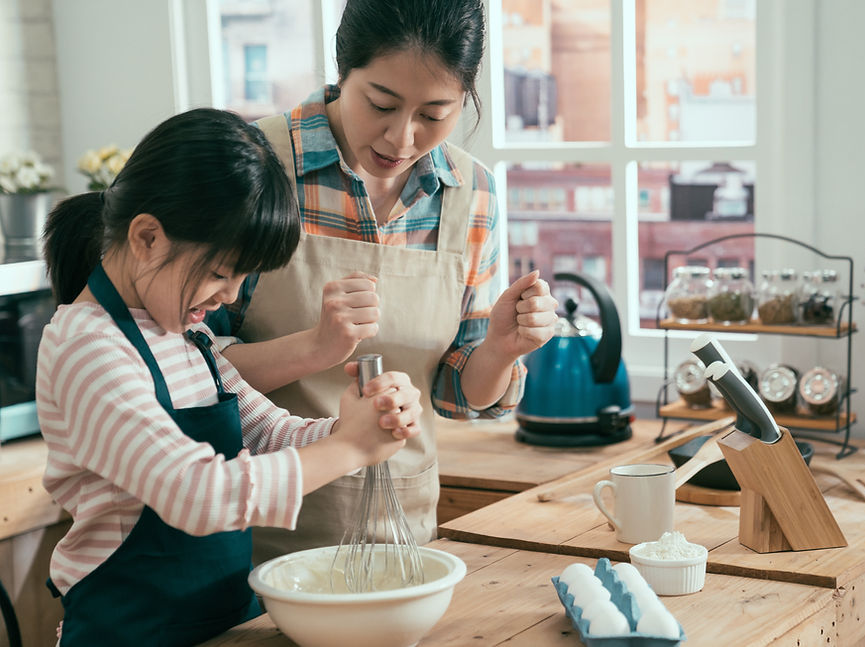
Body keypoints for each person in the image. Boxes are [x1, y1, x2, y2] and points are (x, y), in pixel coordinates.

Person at [37, 108, 422, 647]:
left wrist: (352, 426)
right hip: (130, 631)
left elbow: (270, 435)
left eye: (243, 277)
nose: (230, 296)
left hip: (224, 624)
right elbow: (196, 493)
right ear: (147, 237)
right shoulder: (88, 348)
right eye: (220, 273)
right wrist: (352, 450)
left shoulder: (184, 336)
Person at [207, 0, 559, 563]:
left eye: (434, 113)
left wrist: (499, 348)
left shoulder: (473, 194)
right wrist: (314, 348)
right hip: (253, 530)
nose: (401, 138)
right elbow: (185, 371)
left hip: (401, 532)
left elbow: (455, 394)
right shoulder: (255, 167)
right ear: (342, 70)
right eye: (381, 104)